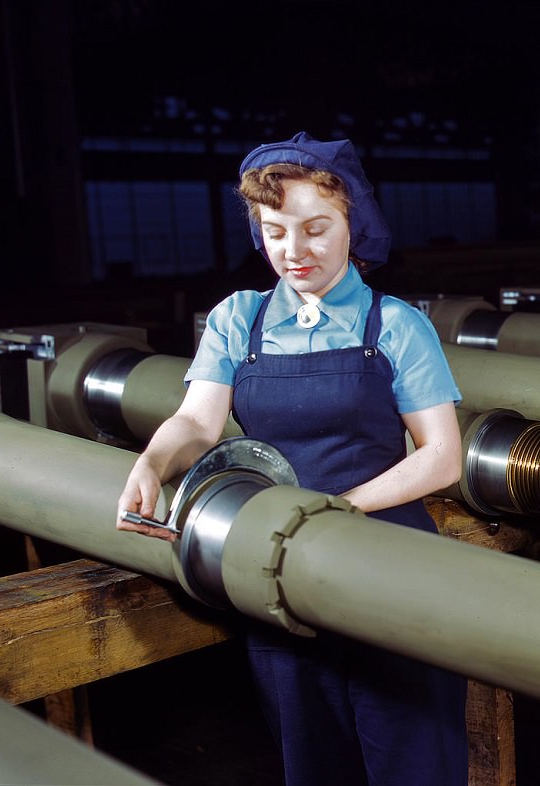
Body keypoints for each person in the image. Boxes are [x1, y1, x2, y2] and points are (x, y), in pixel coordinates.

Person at [116, 132, 468, 786]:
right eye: (275, 231)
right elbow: (198, 419)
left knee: (414, 764)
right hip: (276, 578)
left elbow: (443, 457)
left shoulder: (394, 326)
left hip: (390, 571)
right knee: (312, 765)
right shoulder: (236, 322)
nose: (294, 251)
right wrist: (152, 462)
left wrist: (337, 509)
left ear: (353, 223)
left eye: (316, 229)